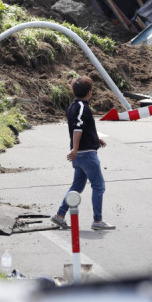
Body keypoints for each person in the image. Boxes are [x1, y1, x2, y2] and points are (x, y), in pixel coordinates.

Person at [50, 76, 116, 230]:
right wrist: (75, 148)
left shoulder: (73, 106)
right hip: (85, 154)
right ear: (89, 92)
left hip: (81, 154)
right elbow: (78, 128)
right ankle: (97, 220)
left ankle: (59, 215)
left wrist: (95, 139)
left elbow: (82, 128)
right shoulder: (81, 107)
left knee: (77, 186)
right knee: (99, 186)